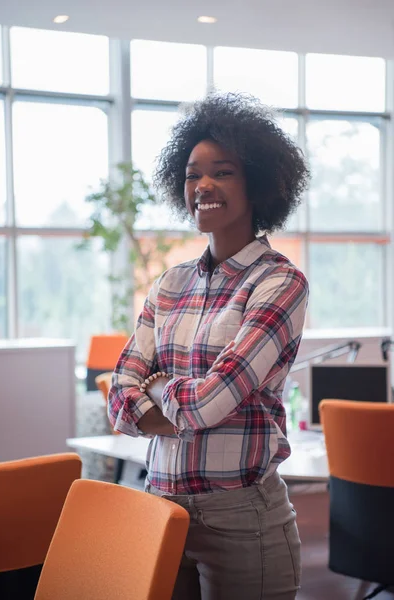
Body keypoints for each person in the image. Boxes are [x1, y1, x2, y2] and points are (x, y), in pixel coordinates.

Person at [108, 92, 310, 600]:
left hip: (243, 520)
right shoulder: (169, 284)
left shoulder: (279, 284)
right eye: (192, 174)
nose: (203, 186)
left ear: (259, 183)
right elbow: (117, 395)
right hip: (160, 505)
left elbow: (213, 401)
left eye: (223, 172)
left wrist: (156, 388)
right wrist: (164, 398)